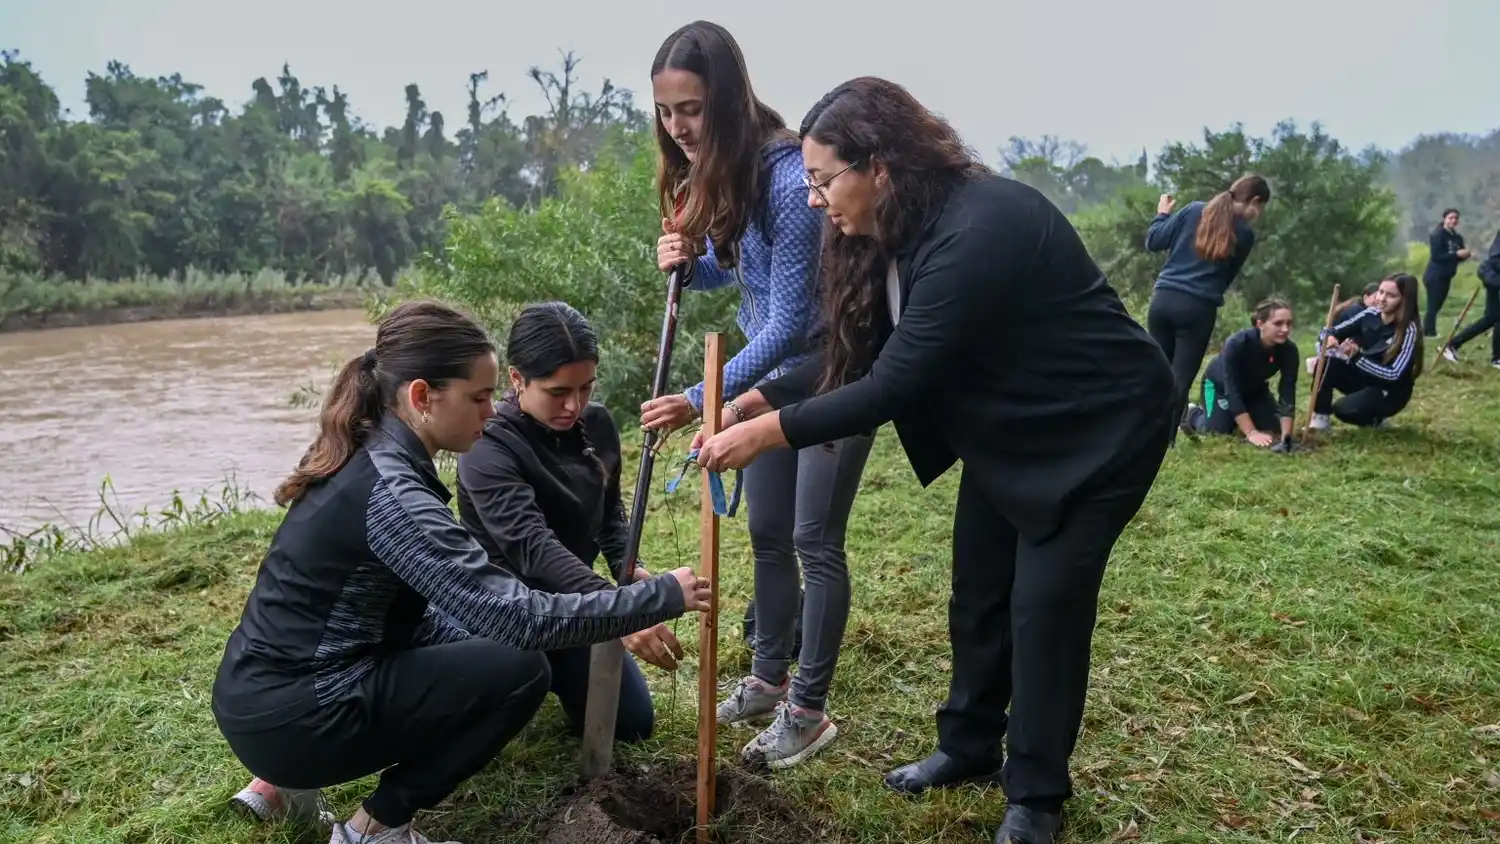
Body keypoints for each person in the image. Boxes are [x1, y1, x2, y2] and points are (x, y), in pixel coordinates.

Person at [693, 76, 1176, 844]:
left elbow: (895, 383)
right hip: (1009, 424)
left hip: (1100, 427)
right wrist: (762, 399)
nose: (814, 199)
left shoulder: (978, 228)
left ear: (878, 166)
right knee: (978, 587)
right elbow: (864, 351)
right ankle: (967, 745)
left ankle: (1038, 796)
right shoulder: (899, 233)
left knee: (1043, 607)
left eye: (822, 181)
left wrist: (771, 430)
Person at [211, 300, 710, 844]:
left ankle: (290, 784)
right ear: (422, 397)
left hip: (266, 696)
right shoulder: (395, 493)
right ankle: (374, 829)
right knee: (519, 668)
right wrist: (655, 597)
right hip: (294, 718)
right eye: (477, 397)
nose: (491, 412)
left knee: (496, 648)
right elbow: (519, 618)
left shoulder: (375, 453)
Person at [641, 20, 875, 769]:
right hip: (774, 380)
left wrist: (696, 396)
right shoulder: (732, 172)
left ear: (730, 100)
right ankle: (769, 680)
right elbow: (737, 272)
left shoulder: (780, 173)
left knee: (813, 539)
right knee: (768, 533)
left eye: (692, 109)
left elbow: (789, 323)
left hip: (831, 372)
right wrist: (686, 259)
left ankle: (809, 710)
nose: (678, 128)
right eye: (667, 112)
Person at [453, 302, 679, 747]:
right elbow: (532, 548)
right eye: (558, 392)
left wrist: (627, 568)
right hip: (506, 610)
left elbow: (610, 517)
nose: (574, 405)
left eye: (586, 387)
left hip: (573, 605)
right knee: (507, 701)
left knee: (631, 725)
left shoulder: (596, 424)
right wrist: (621, 611)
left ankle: (553, 675)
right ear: (517, 380)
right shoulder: (486, 446)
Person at [1144, 175, 1271, 437]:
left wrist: (1162, 214)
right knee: (1180, 377)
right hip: (1197, 308)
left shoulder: (1192, 210)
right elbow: (1226, 278)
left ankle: (1140, 430)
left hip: (1163, 299)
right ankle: (1163, 441)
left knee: (1156, 371)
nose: (1258, 214)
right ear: (1255, 201)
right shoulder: (1244, 234)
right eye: (1261, 208)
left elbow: (1153, 240)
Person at [1310, 272, 1424, 430]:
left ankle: (1375, 418)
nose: (1382, 299)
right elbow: (1329, 331)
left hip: (1389, 391)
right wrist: (1328, 339)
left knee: (1344, 410)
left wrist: (1357, 357)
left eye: (1391, 295)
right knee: (1325, 363)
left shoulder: (1409, 330)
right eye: (1381, 292)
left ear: (1405, 300)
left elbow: (1394, 374)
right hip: (1365, 378)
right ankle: (1320, 419)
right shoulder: (1370, 313)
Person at [1183, 298, 1298, 446]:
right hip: (1220, 387)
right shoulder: (1237, 344)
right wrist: (1251, 432)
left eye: (1288, 323)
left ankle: (1240, 416)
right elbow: (1232, 390)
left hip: (1254, 390)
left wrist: (1286, 437)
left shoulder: (1289, 350)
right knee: (1218, 431)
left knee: (1273, 428)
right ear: (1260, 324)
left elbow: (1287, 391)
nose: (1285, 329)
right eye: (1278, 323)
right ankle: (1192, 413)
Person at [1440, 228, 1500, 368]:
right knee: (1496, 317)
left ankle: (1453, 345)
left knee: (1492, 317)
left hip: (1492, 274)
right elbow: (1495, 260)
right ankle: (1497, 359)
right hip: (1493, 274)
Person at [1421, 208, 1471, 337]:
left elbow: (1458, 255)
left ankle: (1427, 329)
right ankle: (1429, 332)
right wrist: (1456, 254)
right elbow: (1437, 256)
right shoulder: (1437, 235)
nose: (1453, 220)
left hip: (1446, 275)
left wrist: (1464, 255)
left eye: (1456, 218)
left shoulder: (1457, 237)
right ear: (1444, 219)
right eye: (1450, 218)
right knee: (1433, 304)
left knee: (1437, 305)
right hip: (1435, 275)